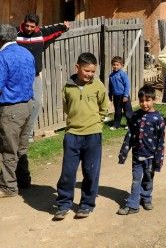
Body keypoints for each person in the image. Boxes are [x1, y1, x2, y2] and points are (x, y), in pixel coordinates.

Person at [0, 14, 70, 141]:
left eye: (32, 26)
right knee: (20, 104)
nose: (29, 28)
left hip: (34, 76)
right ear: (23, 23)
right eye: (27, 25)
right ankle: (18, 132)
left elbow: (55, 31)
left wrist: (64, 27)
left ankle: (27, 131)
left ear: (36, 26)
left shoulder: (42, 35)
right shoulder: (15, 33)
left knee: (37, 103)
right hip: (17, 78)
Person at [0, 24, 36, 198]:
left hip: (10, 108)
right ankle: (23, 179)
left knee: (6, 148)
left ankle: (8, 186)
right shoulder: (26, 53)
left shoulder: (2, 57)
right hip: (27, 105)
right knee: (21, 146)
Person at [53, 52, 109, 221]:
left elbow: (104, 106)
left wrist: (96, 123)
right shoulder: (68, 87)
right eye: (87, 71)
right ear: (77, 68)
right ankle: (63, 204)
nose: (90, 75)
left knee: (91, 171)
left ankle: (86, 204)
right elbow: (66, 107)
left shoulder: (98, 86)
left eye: (93, 72)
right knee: (68, 172)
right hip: (72, 135)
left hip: (93, 135)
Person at [117, 84, 165, 215]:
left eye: (147, 100)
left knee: (148, 179)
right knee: (136, 179)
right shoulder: (135, 116)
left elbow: (161, 141)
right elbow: (130, 135)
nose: (144, 103)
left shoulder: (158, 119)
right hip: (137, 156)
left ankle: (146, 198)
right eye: (141, 100)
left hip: (151, 157)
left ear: (154, 100)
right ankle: (133, 204)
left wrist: (159, 159)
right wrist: (123, 153)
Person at [108, 56, 133, 130]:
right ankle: (116, 124)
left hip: (124, 96)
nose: (115, 66)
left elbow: (127, 85)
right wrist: (110, 94)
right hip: (116, 96)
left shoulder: (122, 74)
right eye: (114, 64)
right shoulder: (111, 75)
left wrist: (125, 95)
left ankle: (130, 124)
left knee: (127, 111)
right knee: (117, 111)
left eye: (117, 65)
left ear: (121, 65)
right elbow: (110, 86)